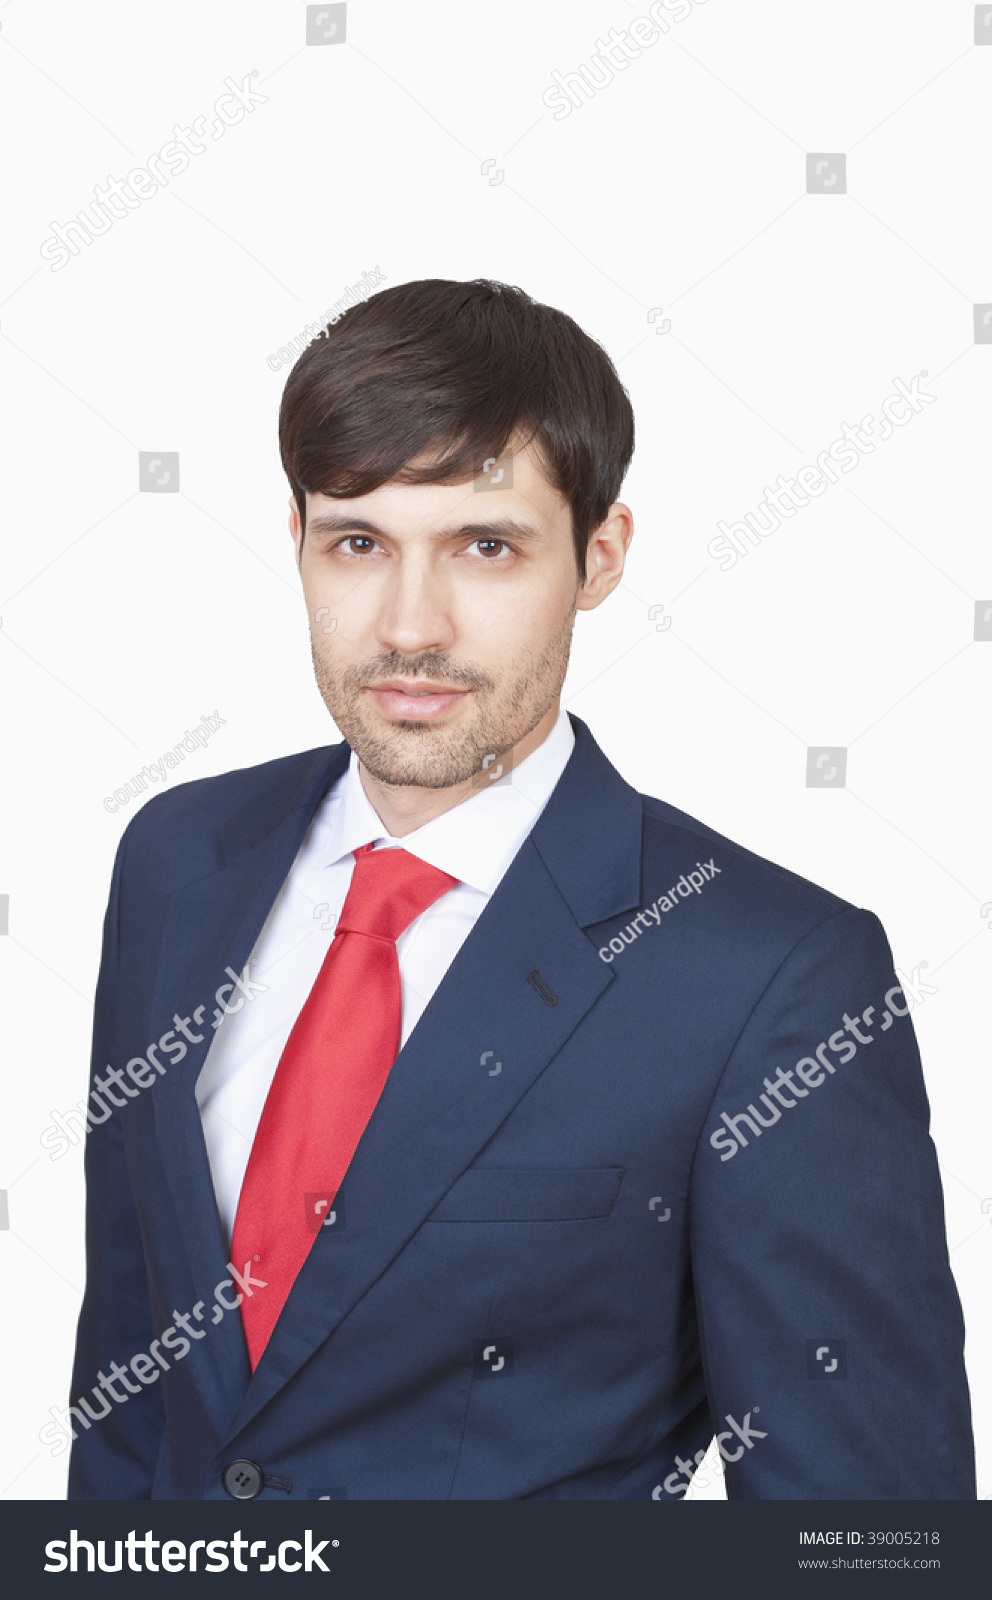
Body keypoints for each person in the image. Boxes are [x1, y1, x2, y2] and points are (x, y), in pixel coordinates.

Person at [65, 278, 973, 1500]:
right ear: (295, 543)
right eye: (358, 542)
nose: (408, 625)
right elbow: (131, 1391)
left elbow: (866, 1531)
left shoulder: (770, 979)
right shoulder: (178, 857)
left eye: (483, 546)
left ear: (597, 557)